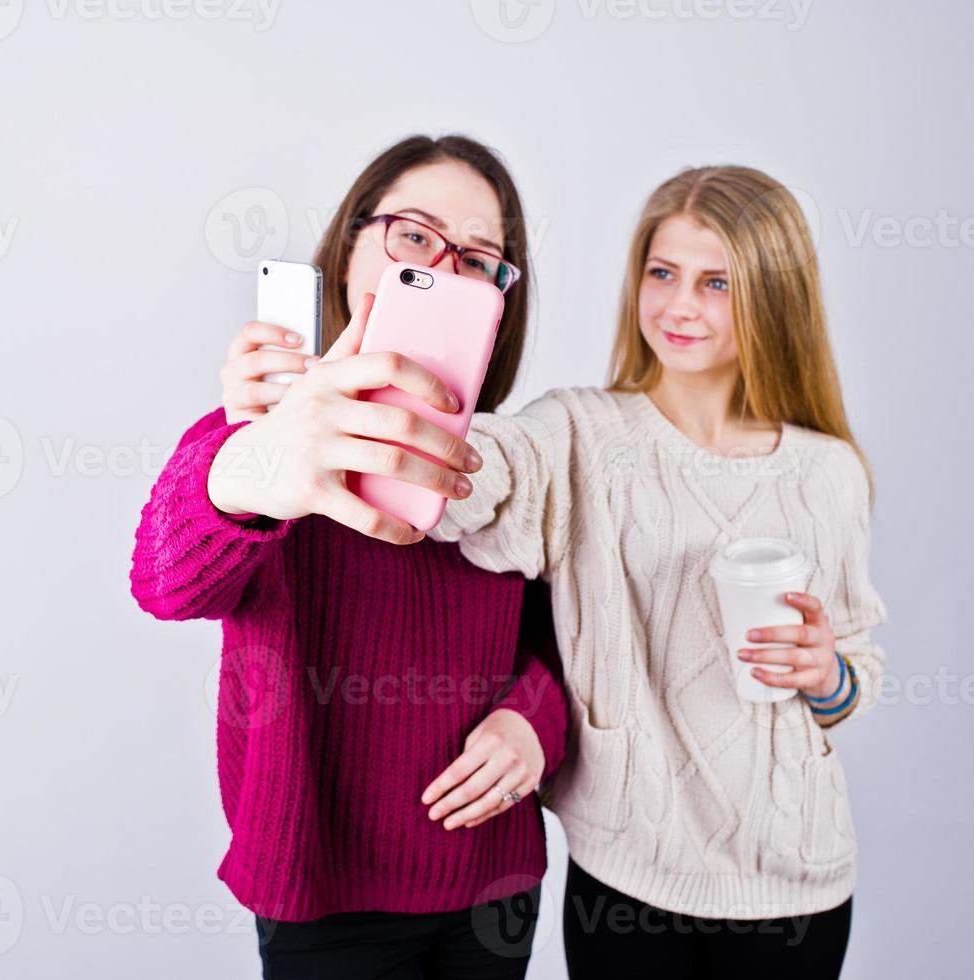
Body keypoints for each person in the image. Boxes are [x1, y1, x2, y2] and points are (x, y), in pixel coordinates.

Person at [425, 165, 887, 979]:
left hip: (793, 879)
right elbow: (480, 483)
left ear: (773, 296)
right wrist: (414, 406)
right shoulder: (579, 434)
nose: (679, 305)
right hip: (628, 874)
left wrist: (827, 674)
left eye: (716, 283)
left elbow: (853, 676)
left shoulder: (827, 473)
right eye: (662, 273)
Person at [130, 135, 568, 979]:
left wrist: (533, 724)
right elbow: (165, 584)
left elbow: (561, 644)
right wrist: (249, 459)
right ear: (345, 253)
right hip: (317, 883)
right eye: (412, 236)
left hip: (489, 874)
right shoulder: (265, 438)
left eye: (478, 258)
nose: (442, 269)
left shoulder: (520, 461)